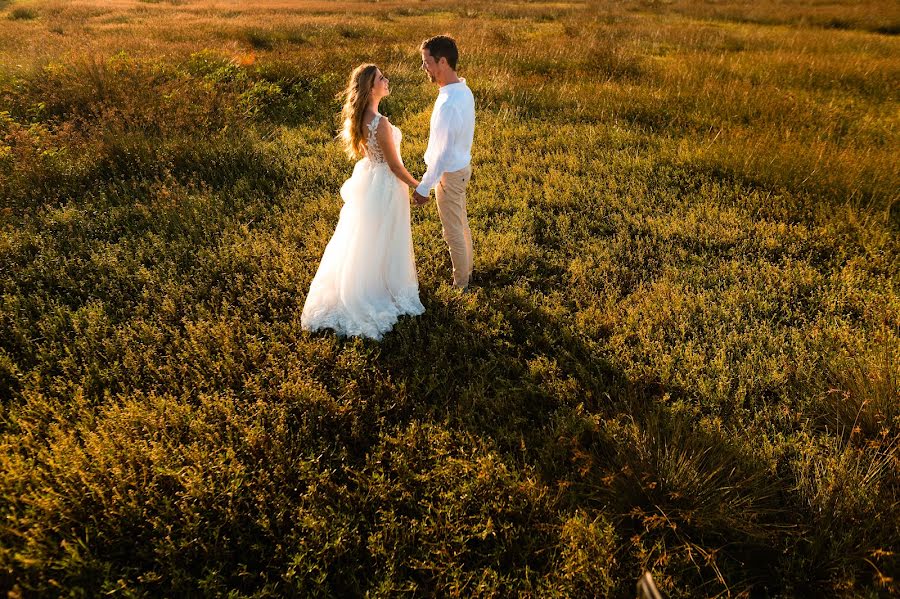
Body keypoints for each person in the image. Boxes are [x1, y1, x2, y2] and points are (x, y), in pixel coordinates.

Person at [301, 64, 425, 340]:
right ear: (371, 87)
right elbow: (394, 165)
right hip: (385, 184)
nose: (386, 80)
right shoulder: (380, 123)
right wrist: (421, 186)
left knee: (368, 236)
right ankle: (379, 288)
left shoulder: (365, 118)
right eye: (382, 78)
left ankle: (373, 281)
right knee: (385, 236)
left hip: (371, 179)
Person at [413, 35, 477, 291]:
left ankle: (461, 286)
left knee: (452, 233)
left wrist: (424, 186)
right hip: (460, 169)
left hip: (449, 174)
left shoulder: (450, 103)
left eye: (426, 61)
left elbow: (441, 153)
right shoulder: (462, 89)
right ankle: (468, 273)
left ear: (442, 61)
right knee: (460, 224)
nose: (424, 67)